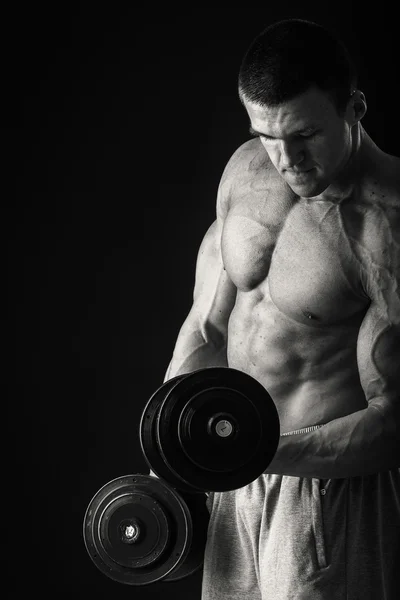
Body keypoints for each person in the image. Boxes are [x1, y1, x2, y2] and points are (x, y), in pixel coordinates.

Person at [162, 19, 400, 599]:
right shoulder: (247, 171)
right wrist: (168, 439)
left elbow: (394, 419)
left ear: (355, 108)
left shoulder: (385, 226)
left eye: (305, 135)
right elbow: (208, 322)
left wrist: (254, 452)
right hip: (232, 478)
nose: (285, 158)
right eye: (266, 134)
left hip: (326, 494)